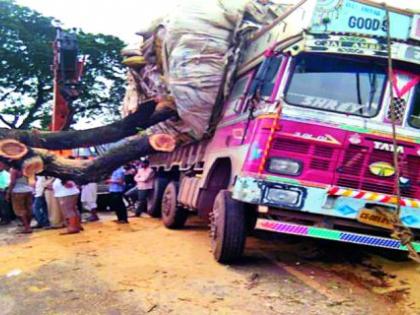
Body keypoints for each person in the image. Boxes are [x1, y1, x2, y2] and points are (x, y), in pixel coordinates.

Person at [7, 168, 33, 233]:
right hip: (28, 190)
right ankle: (28, 226)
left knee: (20, 210)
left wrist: (8, 192)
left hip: (18, 191)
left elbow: (12, 182)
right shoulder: (26, 167)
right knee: (28, 209)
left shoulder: (14, 170)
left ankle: (27, 227)